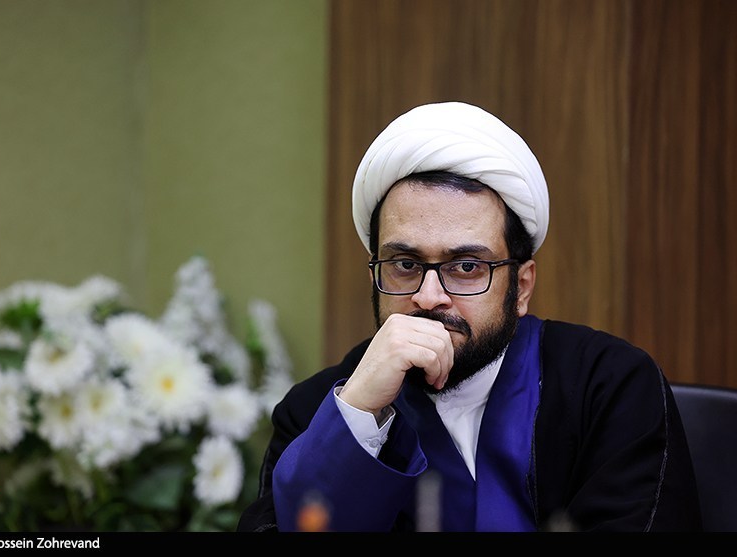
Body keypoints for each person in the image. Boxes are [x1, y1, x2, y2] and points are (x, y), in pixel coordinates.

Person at [237, 102, 702, 532]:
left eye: (465, 267)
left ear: (521, 287)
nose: (429, 297)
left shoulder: (609, 387)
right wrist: (356, 419)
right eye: (405, 264)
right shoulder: (315, 408)